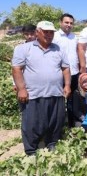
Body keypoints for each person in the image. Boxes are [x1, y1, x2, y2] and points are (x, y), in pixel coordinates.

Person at [12, 21, 71, 155]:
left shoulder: (59, 48)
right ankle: (31, 149)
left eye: (51, 32)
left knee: (55, 121)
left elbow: (66, 68)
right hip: (33, 94)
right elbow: (16, 69)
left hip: (56, 92)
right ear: (37, 32)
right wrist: (21, 89)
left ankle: (52, 142)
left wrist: (67, 85)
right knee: (32, 123)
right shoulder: (24, 49)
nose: (49, 35)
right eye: (46, 32)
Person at [53, 13, 79, 127]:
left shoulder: (75, 37)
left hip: (74, 73)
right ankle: (58, 126)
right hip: (59, 74)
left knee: (72, 101)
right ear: (60, 23)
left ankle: (71, 125)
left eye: (71, 23)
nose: (69, 25)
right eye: (66, 22)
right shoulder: (54, 37)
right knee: (58, 101)